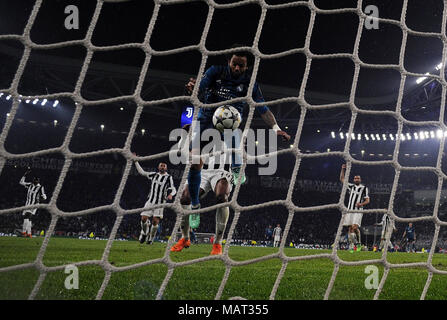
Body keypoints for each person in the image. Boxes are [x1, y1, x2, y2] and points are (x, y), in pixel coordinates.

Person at [184, 45, 291, 215]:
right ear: (229, 61)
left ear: (247, 66)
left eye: (241, 65)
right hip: (207, 119)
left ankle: (236, 170)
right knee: (195, 162)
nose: (237, 68)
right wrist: (193, 88)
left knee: (235, 137)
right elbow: (200, 87)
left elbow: (263, 108)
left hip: (230, 124)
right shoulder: (215, 72)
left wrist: (276, 129)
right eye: (234, 64)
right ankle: (195, 205)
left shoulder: (249, 83)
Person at [171, 148, 233, 255]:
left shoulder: (230, 132)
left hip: (222, 169)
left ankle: (217, 243)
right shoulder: (199, 132)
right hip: (201, 167)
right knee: (185, 198)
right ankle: (185, 237)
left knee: (222, 197)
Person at [133, 156, 177, 245]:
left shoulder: (169, 178)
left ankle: (151, 238)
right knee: (143, 219)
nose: (162, 167)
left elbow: (174, 189)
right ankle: (144, 233)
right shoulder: (153, 175)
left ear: (166, 168)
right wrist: (136, 161)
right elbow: (142, 172)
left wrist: (171, 194)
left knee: (155, 222)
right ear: (158, 167)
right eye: (161, 166)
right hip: (150, 201)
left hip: (160, 203)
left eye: (164, 166)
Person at [340, 164, 370, 252]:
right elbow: (342, 179)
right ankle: (357, 245)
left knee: (353, 227)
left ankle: (355, 245)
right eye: (355, 178)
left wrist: (361, 204)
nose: (356, 179)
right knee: (352, 229)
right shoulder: (351, 186)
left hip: (358, 211)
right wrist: (342, 169)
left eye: (358, 178)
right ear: (353, 180)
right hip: (350, 210)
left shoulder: (364, 188)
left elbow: (368, 200)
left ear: (360, 180)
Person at [19, 169, 47, 238]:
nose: (34, 181)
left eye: (36, 180)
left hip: (34, 204)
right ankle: (29, 233)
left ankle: (24, 233)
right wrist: (25, 175)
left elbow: (45, 197)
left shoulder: (40, 187)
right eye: (34, 180)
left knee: (27, 216)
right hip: (27, 204)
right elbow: (21, 182)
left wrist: (41, 198)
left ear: (38, 181)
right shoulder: (30, 185)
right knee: (28, 219)